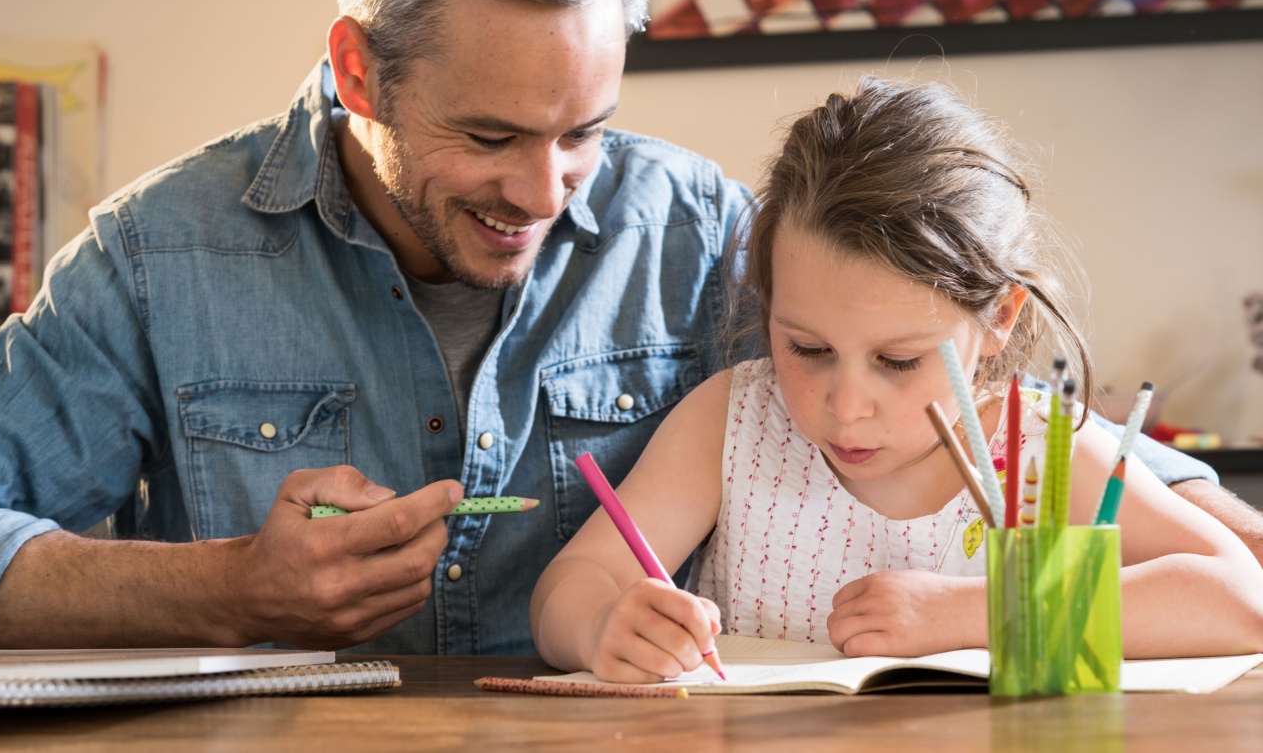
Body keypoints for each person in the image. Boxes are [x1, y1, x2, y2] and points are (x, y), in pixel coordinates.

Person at [0, 0, 1251, 655]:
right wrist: (224, 590)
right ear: (359, 73)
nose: (545, 195)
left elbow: (927, 359)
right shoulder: (158, 255)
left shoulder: (703, 231)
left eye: (583, 132)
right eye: (488, 138)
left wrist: (1176, 511)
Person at [529, 78, 1263, 681]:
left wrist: (973, 612)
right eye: (806, 347)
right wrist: (602, 625)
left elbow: (1240, 597)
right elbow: (571, 585)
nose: (845, 408)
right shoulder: (730, 420)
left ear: (999, 317)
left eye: (900, 360)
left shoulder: (1038, 449)